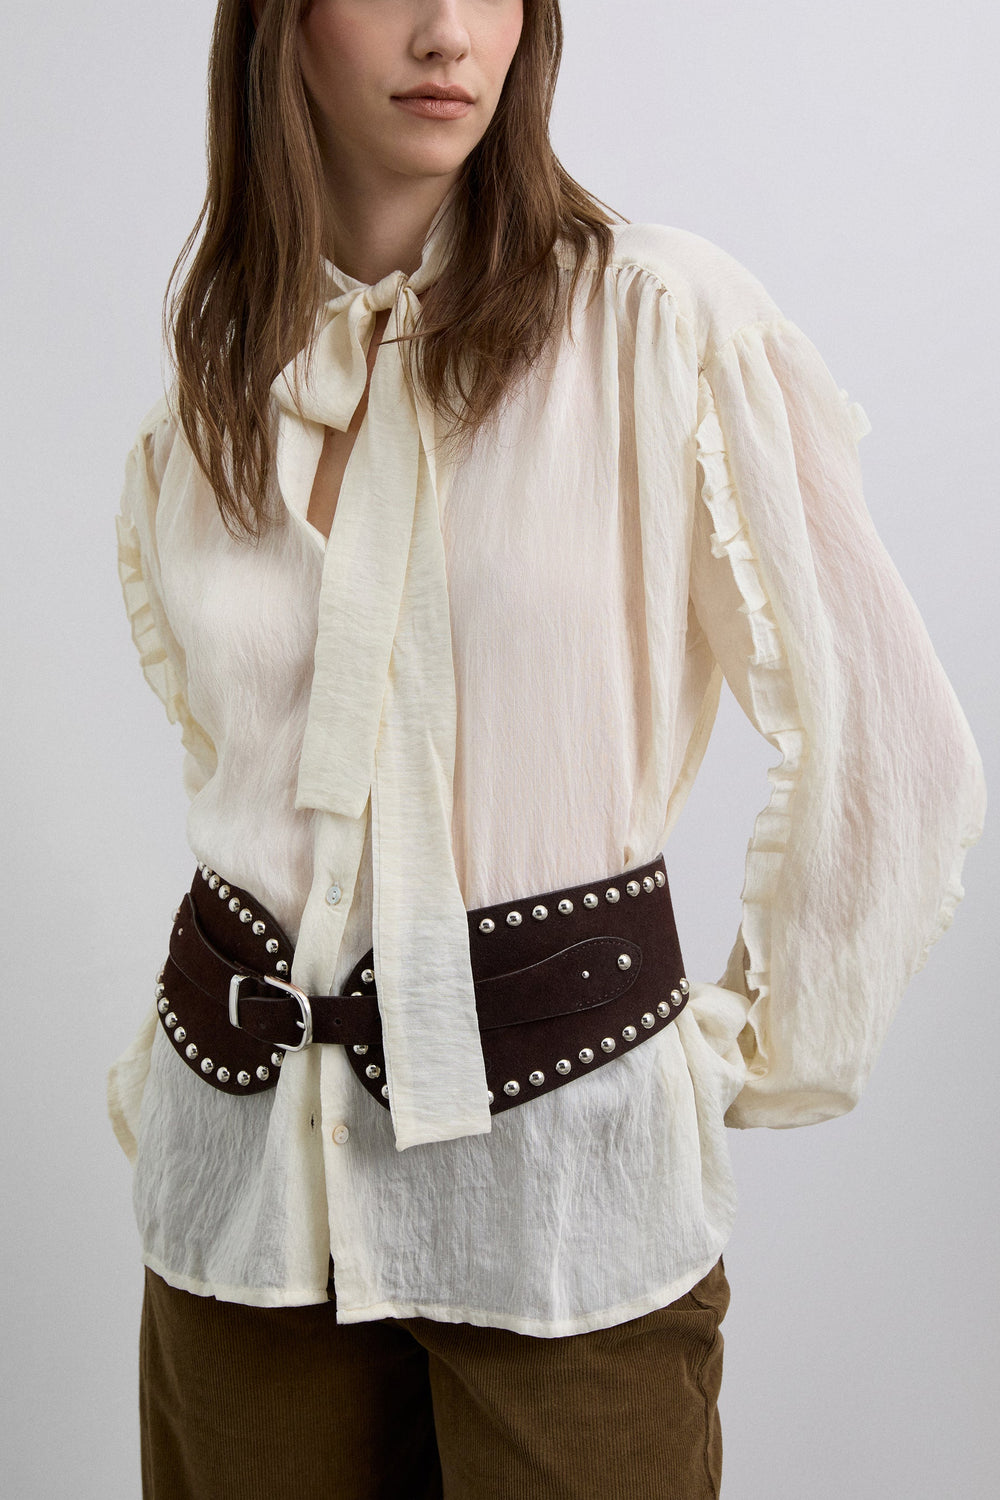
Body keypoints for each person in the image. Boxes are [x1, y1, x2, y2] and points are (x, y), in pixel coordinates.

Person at [107, 2, 986, 1497]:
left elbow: (893, 747)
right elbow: (232, 772)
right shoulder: (208, 402)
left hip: (564, 1212)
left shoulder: (658, 324)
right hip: (241, 1207)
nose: (449, 32)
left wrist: (727, 1059)